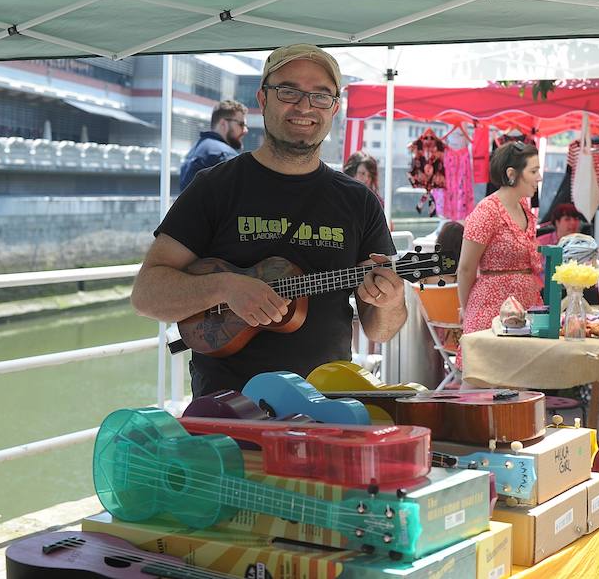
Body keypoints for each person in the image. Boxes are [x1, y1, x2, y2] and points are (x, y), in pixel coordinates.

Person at [132, 44, 407, 398]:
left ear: (335, 108)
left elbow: (380, 330)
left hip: (328, 407)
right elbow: (146, 295)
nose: (305, 106)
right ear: (263, 99)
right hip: (228, 411)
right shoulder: (215, 187)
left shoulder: (359, 202)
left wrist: (391, 300)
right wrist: (225, 288)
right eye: (289, 91)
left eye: (320, 96)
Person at [457, 141, 543, 356]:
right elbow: (466, 269)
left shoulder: (525, 208)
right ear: (512, 173)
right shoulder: (487, 211)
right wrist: (468, 311)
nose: (539, 177)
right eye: (533, 171)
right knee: (481, 381)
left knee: (519, 383)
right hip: (489, 313)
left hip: (525, 312)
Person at [178, 99, 249, 191]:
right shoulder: (223, 154)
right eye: (241, 124)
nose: (245, 130)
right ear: (223, 124)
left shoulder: (195, 151)